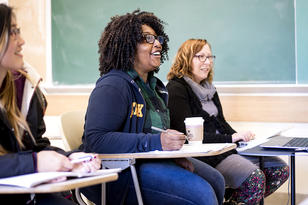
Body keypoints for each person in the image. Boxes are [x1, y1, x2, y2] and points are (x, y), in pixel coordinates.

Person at [81, 10, 226, 205]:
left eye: (158, 39)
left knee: (217, 181)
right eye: (148, 39)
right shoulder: (113, 85)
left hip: (148, 162)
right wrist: (157, 142)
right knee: (202, 195)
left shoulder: (155, 88)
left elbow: (155, 136)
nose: (157, 44)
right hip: (119, 173)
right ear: (128, 45)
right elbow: (96, 140)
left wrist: (173, 156)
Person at [166, 38, 290, 204]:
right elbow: (188, 135)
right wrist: (230, 139)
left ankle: (231, 201)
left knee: (279, 170)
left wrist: (241, 138)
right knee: (254, 178)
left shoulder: (209, 88)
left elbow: (222, 124)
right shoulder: (176, 88)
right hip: (206, 155)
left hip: (226, 148)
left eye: (210, 57)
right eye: (200, 56)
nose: (207, 62)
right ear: (186, 58)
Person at [0, 4, 101, 204]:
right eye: (12, 32)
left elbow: (34, 146)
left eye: (18, 31)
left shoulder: (21, 91)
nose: (22, 41)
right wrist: (35, 163)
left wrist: (70, 159)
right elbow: (32, 158)